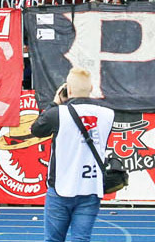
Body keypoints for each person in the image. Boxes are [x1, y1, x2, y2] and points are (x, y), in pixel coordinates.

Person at [29, 68, 115, 242]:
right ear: (91, 88)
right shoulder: (108, 114)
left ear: (68, 90)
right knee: (81, 239)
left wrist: (55, 103)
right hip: (90, 188)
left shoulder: (57, 114)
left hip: (62, 187)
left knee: (53, 240)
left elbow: (36, 129)